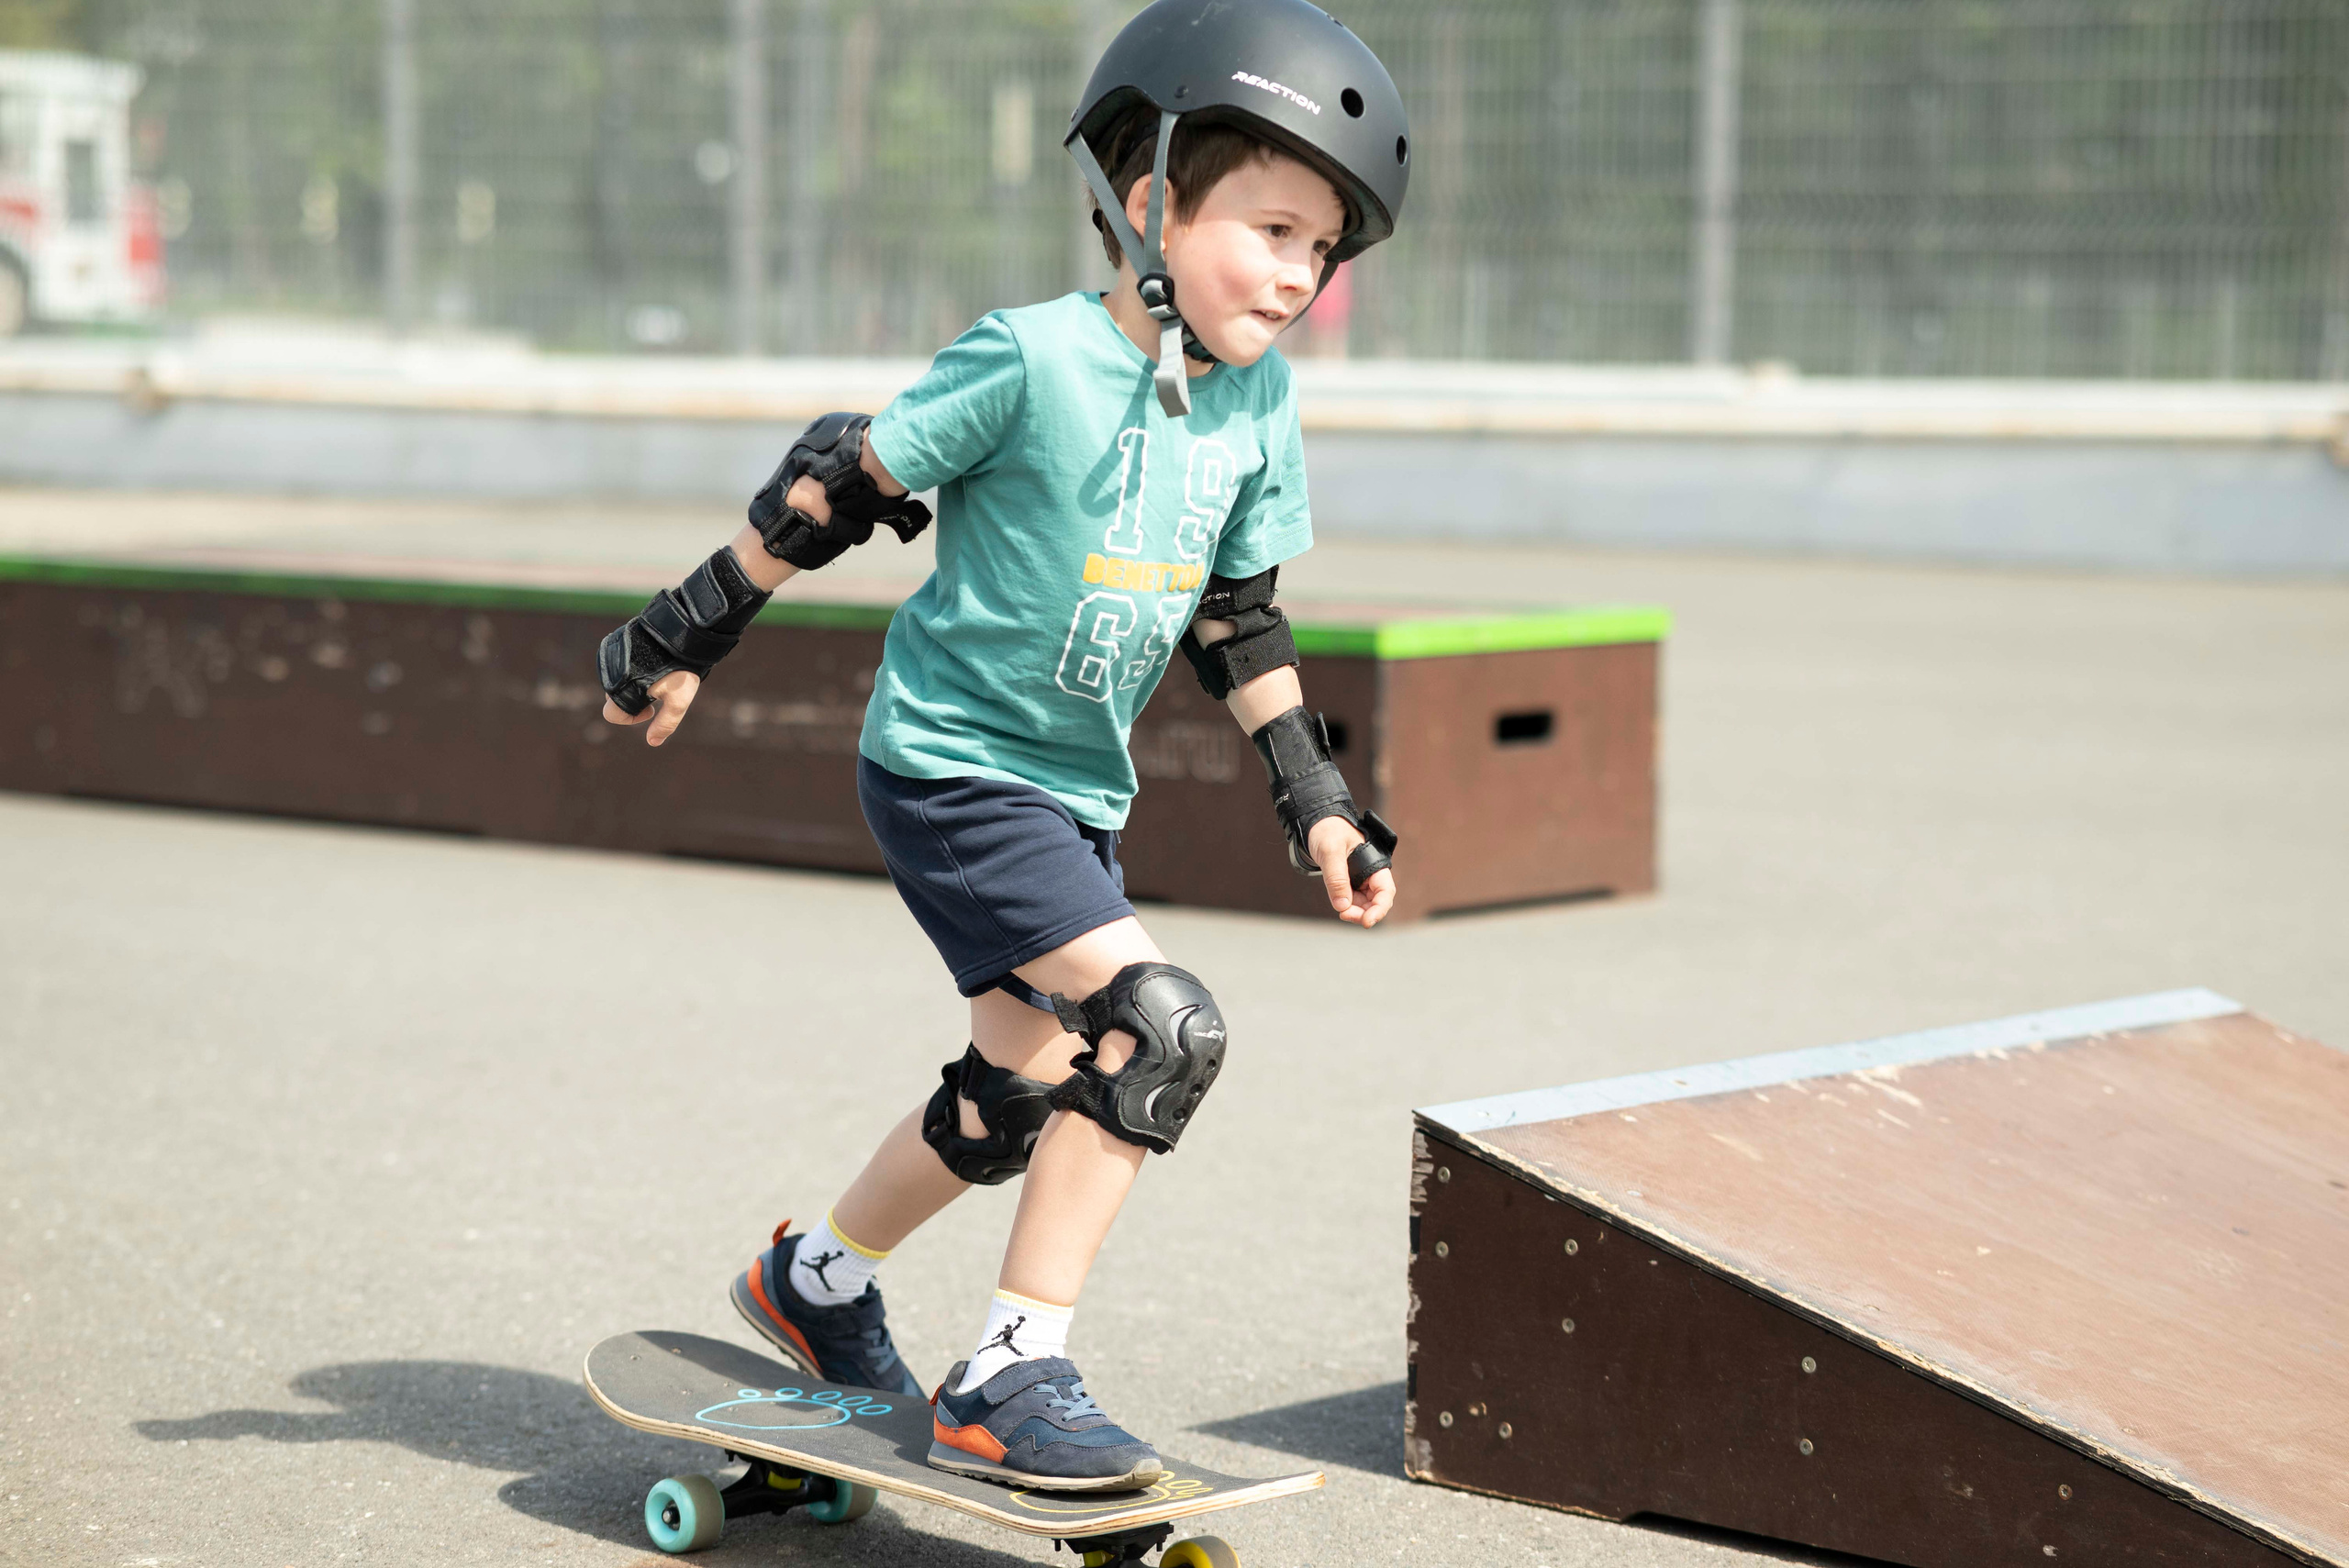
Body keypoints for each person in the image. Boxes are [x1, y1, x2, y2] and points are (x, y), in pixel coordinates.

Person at [592, 0, 1410, 1492]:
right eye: (1273, 229)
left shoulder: (1260, 404)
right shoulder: (1029, 362)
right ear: (1152, 197)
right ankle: (1011, 1367)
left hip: (1076, 794)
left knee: (1016, 1090)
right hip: (954, 770)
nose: (1297, 277)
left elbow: (1240, 619)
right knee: (1164, 1030)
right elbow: (838, 480)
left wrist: (1320, 802)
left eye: (1322, 250)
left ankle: (816, 1279)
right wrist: (685, 628)